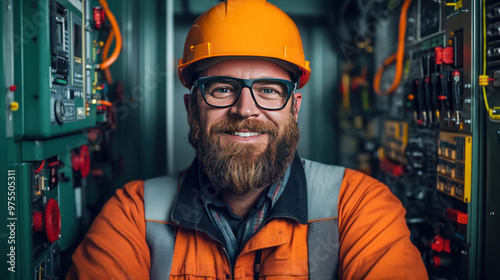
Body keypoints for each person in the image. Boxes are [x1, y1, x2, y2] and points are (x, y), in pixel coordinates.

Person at [67, 0, 428, 279]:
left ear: (294, 107)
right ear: (192, 108)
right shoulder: (132, 216)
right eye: (222, 89)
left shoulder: (359, 208)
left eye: (269, 90)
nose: (244, 109)